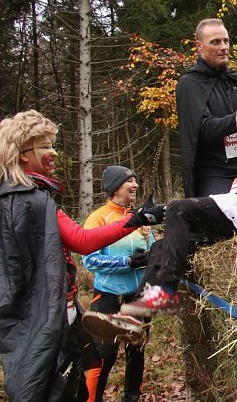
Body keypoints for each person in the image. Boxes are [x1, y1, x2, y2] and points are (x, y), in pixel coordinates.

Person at [81, 96, 237, 329]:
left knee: (178, 208)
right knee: (161, 246)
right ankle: (135, 322)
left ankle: (165, 291)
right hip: (236, 212)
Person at [0, 110, 164, 401]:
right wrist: (136, 221)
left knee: (73, 370)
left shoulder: (18, 197)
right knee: (50, 384)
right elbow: (83, 242)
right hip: (48, 314)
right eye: (46, 146)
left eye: (53, 144)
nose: (54, 152)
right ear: (23, 154)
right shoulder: (35, 201)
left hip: (51, 310)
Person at [82, 166, 154, 402]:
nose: (135, 185)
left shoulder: (139, 216)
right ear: (114, 188)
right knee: (104, 354)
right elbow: (89, 259)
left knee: (137, 349)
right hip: (108, 295)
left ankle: (131, 397)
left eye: (135, 180)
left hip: (137, 294)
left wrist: (152, 255)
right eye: (129, 181)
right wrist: (128, 262)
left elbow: (150, 248)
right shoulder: (99, 218)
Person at [176, 18, 237, 198]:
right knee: (223, 216)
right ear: (199, 46)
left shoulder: (236, 79)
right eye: (215, 42)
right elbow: (205, 129)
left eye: (226, 41)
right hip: (215, 173)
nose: (223, 46)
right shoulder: (189, 84)